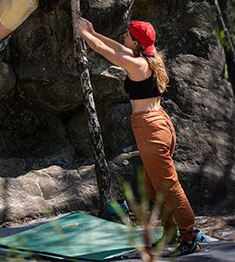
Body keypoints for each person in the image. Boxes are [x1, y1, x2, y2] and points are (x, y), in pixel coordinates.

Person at [75, 17, 201, 256]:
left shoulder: (138, 65)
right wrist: (93, 31)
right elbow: (116, 47)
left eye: (127, 34)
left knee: (169, 186)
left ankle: (189, 235)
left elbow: (104, 51)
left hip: (151, 130)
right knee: (155, 186)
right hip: (159, 125)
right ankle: (170, 232)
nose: (124, 36)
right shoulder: (149, 59)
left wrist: (84, 33)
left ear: (136, 42)